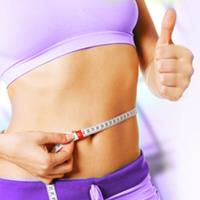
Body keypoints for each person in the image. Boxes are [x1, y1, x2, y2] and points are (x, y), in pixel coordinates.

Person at [0, 0, 194, 199]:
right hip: (37, 188)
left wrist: (166, 73)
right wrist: (4, 148)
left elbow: (152, 58)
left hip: (132, 185)